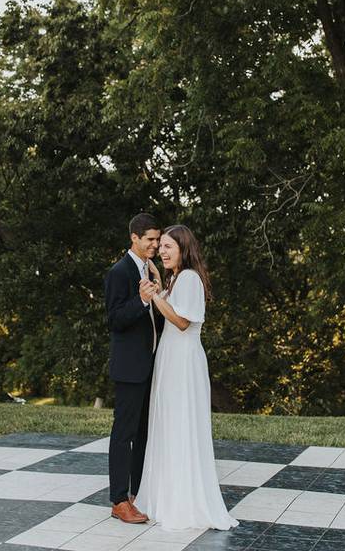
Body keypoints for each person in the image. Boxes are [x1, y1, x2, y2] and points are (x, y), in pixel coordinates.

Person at [134, 225, 239, 531]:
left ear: (183, 249)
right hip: (170, 360)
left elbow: (181, 321)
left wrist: (154, 297)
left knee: (181, 426)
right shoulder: (175, 278)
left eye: (169, 247)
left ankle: (183, 502)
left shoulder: (190, 278)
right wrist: (157, 282)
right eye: (161, 246)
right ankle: (165, 496)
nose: (162, 251)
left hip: (183, 362)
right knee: (168, 426)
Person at [104, 213, 165, 524]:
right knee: (124, 434)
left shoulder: (151, 271)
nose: (155, 244)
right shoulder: (120, 272)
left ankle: (138, 493)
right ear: (135, 238)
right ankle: (118, 500)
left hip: (152, 364)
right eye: (150, 239)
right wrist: (141, 301)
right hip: (130, 367)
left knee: (144, 433)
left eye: (157, 239)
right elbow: (113, 320)